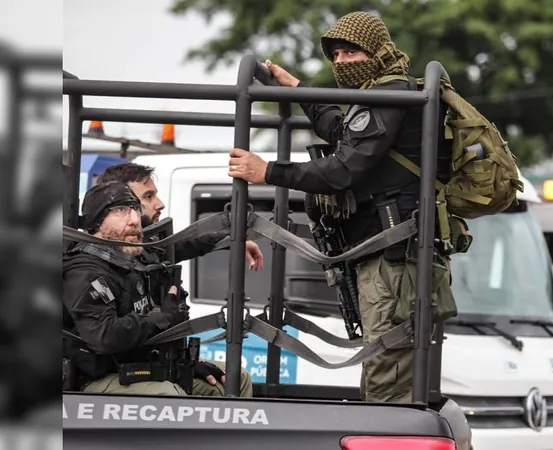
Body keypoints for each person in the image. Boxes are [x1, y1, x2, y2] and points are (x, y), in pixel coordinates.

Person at [227, 11, 456, 403]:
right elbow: (342, 131)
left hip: (393, 263)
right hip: (386, 260)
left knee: (389, 386)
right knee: (381, 377)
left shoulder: (392, 93)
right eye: (335, 55)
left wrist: (268, 171)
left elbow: (343, 169)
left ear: (377, 50)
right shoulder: (382, 95)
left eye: (351, 52)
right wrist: (300, 90)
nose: (341, 62)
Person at [62, 181, 252, 397]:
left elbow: (180, 245)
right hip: (99, 379)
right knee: (168, 395)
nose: (134, 221)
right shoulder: (85, 271)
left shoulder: (134, 254)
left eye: (136, 209)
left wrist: (230, 240)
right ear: (98, 222)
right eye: (121, 211)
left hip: (145, 366)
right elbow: (105, 336)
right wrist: (163, 318)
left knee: (236, 380)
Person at [95, 162, 264, 269]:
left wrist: (232, 240)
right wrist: (166, 317)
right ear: (120, 204)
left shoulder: (147, 247)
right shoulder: (95, 264)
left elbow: (190, 243)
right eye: (148, 196)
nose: (160, 204)